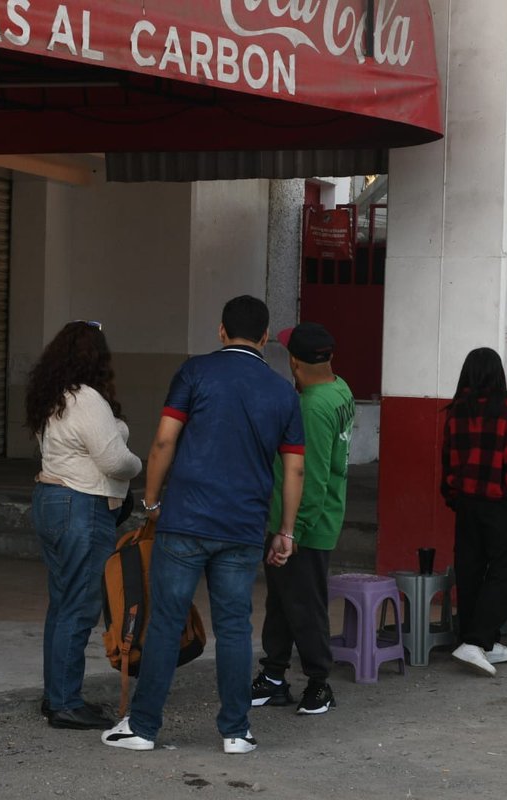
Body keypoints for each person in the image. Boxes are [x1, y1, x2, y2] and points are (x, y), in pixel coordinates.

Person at [102, 296, 305, 755]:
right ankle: (236, 731)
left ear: (220, 331)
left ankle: (144, 727)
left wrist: (152, 502)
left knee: (166, 620)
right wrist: (286, 531)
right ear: (265, 337)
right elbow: (294, 469)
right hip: (243, 527)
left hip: (186, 520)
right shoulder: (282, 392)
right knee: (234, 627)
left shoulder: (195, 373)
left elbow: (163, 441)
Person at [26, 320, 141, 730]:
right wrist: (137, 461)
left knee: (62, 604)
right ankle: (66, 703)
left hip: (52, 501)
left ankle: (56, 696)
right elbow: (114, 461)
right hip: (82, 506)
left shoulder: (52, 396)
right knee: (79, 607)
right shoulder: (88, 398)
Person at [252, 322, 355, 713]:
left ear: (294, 363)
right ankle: (274, 675)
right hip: (305, 519)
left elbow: (310, 478)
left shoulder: (312, 406)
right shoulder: (339, 388)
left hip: (303, 524)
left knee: (305, 604)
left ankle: (319, 682)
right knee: (282, 600)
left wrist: (291, 531)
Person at [440, 347, 507, 676]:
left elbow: (449, 463)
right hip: (503, 507)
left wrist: (456, 497)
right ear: (498, 374)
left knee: (470, 572)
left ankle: (480, 642)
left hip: (467, 505)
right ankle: (476, 640)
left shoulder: (456, 412)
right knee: (504, 573)